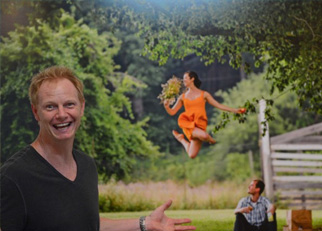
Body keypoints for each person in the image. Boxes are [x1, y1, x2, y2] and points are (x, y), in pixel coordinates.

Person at [0, 66, 196, 231]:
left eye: (69, 104)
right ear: (36, 112)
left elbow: (87, 224)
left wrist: (144, 223)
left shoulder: (86, 166)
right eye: (50, 107)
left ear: (82, 107)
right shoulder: (14, 177)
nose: (61, 114)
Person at [163, 71, 245, 159]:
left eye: (186, 78)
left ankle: (181, 139)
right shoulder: (182, 97)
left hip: (200, 124)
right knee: (205, 136)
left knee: (192, 155)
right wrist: (167, 107)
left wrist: (235, 110)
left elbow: (218, 105)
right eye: (183, 79)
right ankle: (211, 140)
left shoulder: (204, 94)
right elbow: (172, 112)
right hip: (189, 124)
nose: (184, 81)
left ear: (192, 79)